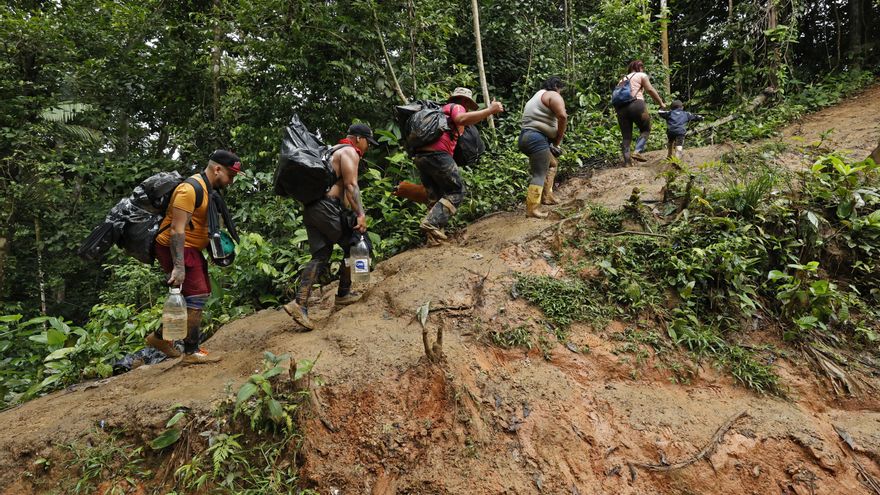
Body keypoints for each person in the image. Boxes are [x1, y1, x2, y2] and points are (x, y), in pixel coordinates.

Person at [145, 150, 242, 364]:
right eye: (230, 176)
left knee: (197, 295)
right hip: (177, 247)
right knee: (197, 295)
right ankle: (191, 352)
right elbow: (176, 230)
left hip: (191, 248)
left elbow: (200, 225)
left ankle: (160, 338)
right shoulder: (189, 190)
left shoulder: (208, 190)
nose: (231, 181)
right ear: (217, 169)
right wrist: (178, 267)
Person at [282, 123, 378, 331]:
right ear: (359, 139)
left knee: (321, 255)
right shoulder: (350, 152)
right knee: (356, 243)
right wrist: (360, 215)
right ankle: (344, 293)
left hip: (312, 209)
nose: (368, 146)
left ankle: (299, 304)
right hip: (327, 208)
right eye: (368, 142)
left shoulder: (330, 151)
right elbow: (351, 186)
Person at [414, 87, 504, 246]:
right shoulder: (456, 107)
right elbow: (461, 119)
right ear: (465, 101)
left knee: (435, 196)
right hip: (438, 155)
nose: (468, 107)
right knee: (457, 191)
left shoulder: (441, 112)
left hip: (421, 156)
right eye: (468, 104)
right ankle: (431, 222)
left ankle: (433, 239)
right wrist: (490, 110)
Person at [518, 76, 568, 218]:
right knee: (539, 174)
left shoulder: (536, 96)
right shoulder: (553, 95)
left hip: (527, 137)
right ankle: (532, 209)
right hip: (536, 138)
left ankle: (547, 196)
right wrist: (558, 139)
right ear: (557, 87)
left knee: (552, 164)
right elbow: (562, 116)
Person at [615, 60, 666, 165]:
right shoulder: (641, 75)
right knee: (646, 129)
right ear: (640, 67)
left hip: (621, 109)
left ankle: (627, 163)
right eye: (642, 67)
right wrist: (661, 103)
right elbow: (650, 89)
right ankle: (637, 151)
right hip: (636, 105)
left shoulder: (622, 79)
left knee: (626, 137)